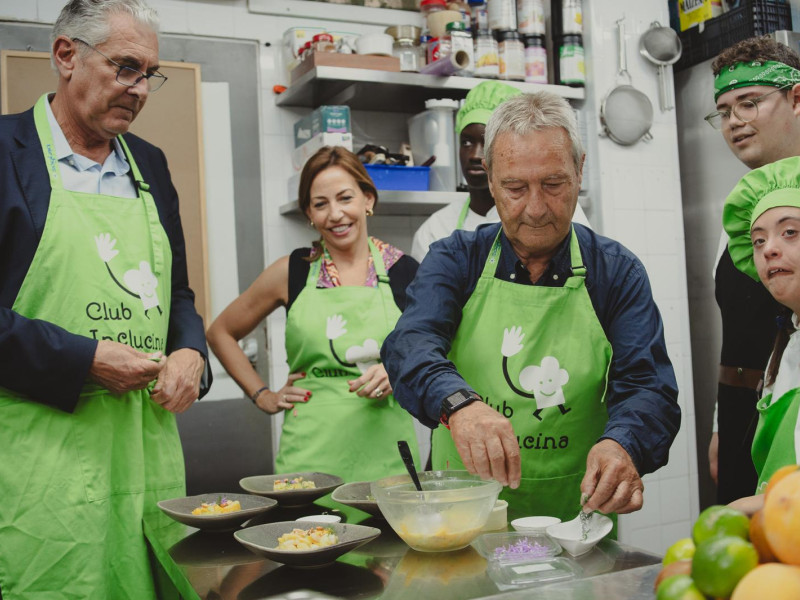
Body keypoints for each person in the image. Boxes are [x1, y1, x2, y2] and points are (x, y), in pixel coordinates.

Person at [382, 91, 681, 522]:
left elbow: (647, 386)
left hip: (575, 522)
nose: (536, 209)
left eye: (554, 185)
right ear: (488, 176)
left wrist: (624, 444)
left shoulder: (615, 272)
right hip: (462, 517)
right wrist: (459, 404)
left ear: (579, 171)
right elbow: (410, 344)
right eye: (516, 188)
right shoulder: (455, 259)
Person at [0, 0, 210, 597]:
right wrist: (83, 359)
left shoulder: (150, 164)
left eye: (150, 74)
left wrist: (192, 353)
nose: (140, 89)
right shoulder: (3, 154)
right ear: (66, 55)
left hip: (146, 452)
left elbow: (179, 295)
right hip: (40, 465)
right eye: (125, 68)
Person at [207, 145, 420, 490]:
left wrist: (402, 371)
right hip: (307, 459)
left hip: (386, 459)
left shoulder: (404, 271)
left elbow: (443, 345)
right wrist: (263, 395)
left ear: (368, 199)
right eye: (321, 204)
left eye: (345, 198)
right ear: (309, 213)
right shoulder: (291, 272)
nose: (335, 214)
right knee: (304, 542)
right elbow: (221, 332)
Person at [704, 36, 800, 503]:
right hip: (743, 406)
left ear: (797, 98)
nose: (734, 121)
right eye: (723, 112)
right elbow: (734, 331)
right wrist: (723, 425)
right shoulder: (739, 216)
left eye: (748, 102)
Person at [411, 80, 590, 262]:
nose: (475, 155)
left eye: (486, 143)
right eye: (466, 142)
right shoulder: (436, 228)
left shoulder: (558, 216)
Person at [721, 156, 800, 515]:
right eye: (757, 240)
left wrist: (746, 507)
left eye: (790, 232)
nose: (767, 249)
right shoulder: (786, 343)